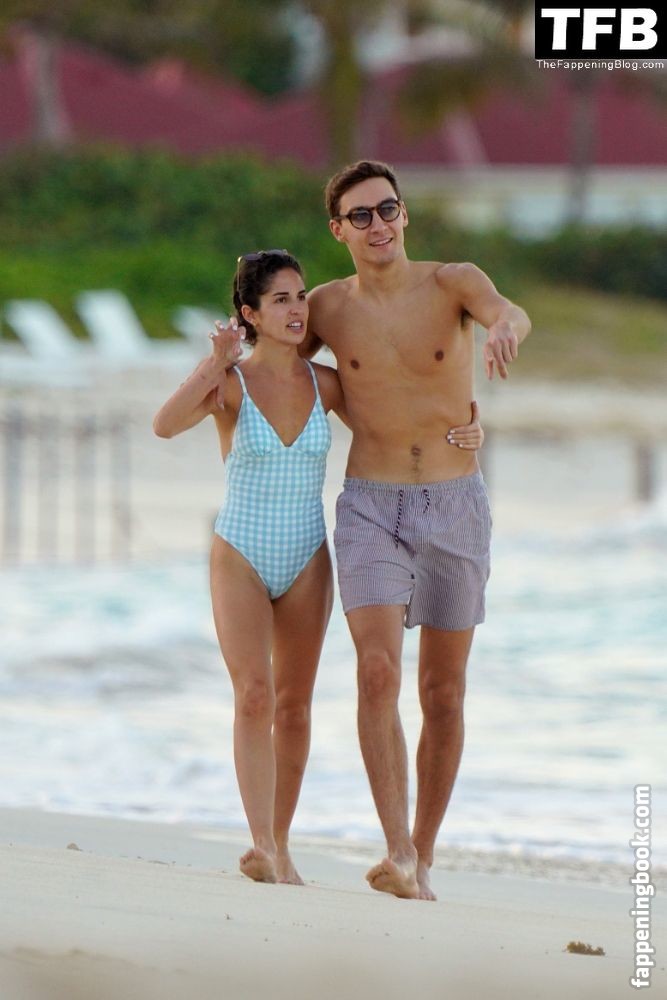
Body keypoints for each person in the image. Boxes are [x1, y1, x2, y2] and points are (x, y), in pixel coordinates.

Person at [153, 248, 488, 886]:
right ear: (249, 314)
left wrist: (468, 428)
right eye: (280, 300)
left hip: (307, 555)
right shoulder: (230, 386)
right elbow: (165, 425)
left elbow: (397, 425)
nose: (297, 309)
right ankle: (259, 843)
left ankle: (280, 847)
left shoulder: (324, 384)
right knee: (253, 695)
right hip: (240, 552)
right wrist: (215, 360)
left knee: (295, 707)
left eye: (301, 296)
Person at [298, 160, 532, 901]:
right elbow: (276, 366)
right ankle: (395, 850)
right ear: (337, 230)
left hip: (456, 505)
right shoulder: (326, 308)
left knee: (444, 691)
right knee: (376, 672)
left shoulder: (453, 282)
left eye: (388, 209)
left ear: (404, 215)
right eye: (360, 215)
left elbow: (507, 311)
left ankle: (423, 857)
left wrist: (504, 330)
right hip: (370, 506)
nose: (378, 225)